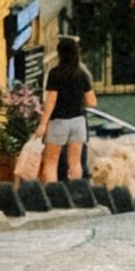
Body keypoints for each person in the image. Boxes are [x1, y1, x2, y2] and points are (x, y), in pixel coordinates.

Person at [38, 36, 96, 184]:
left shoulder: (55, 73)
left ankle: (52, 193)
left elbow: (51, 101)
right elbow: (92, 102)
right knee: (75, 163)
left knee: (51, 162)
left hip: (58, 121)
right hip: (78, 122)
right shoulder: (81, 74)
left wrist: (43, 124)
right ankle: (75, 191)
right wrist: (77, 102)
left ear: (59, 53)